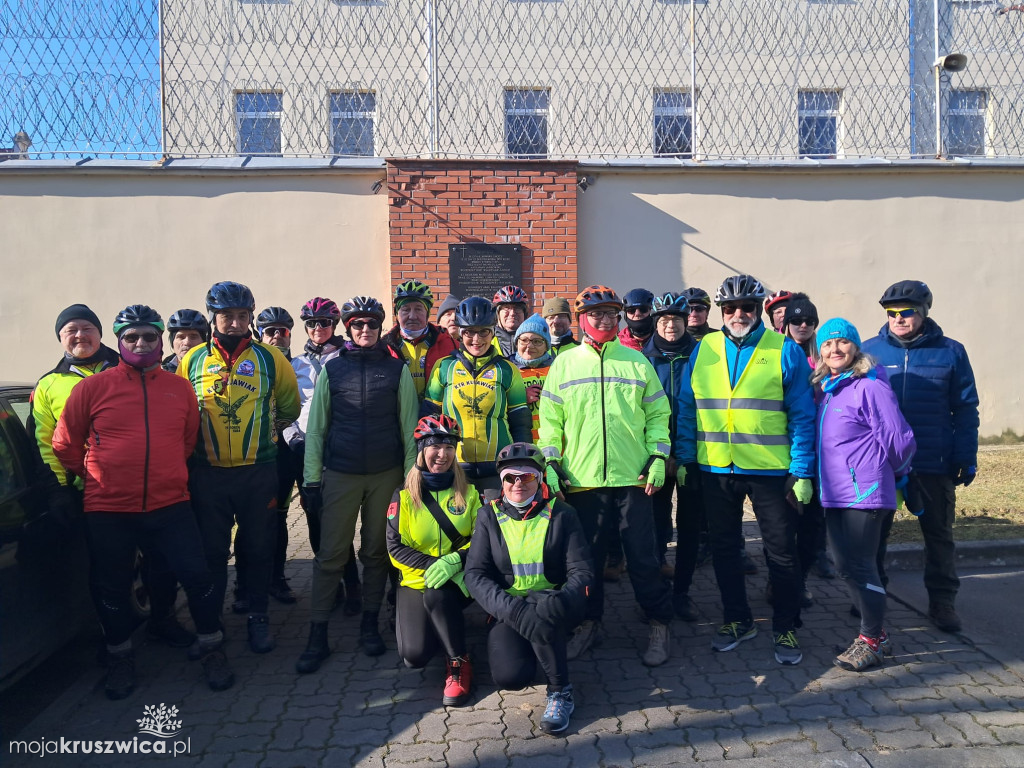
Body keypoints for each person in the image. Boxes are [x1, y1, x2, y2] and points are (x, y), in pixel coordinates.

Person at [52, 305, 234, 698]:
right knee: (112, 585)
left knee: (197, 577)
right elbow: (65, 443)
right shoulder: (91, 388)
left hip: (170, 505)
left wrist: (167, 473)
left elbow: (187, 440)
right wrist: (95, 475)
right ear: (119, 341)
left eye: (149, 336)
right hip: (109, 509)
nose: (140, 343)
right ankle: (120, 657)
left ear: (160, 341)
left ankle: (212, 647)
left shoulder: (178, 386)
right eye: (131, 337)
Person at [674, 274, 815, 665]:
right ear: (721, 312)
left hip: (771, 471)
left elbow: (803, 415)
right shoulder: (704, 350)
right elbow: (688, 408)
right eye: (731, 308)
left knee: (781, 553)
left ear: (758, 311)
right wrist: (686, 458)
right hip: (716, 469)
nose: (739, 314)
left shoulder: (783, 348)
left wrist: (802, 471)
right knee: (724, 550)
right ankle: (738, 619)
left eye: (747, 308)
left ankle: (786, 625)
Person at [32, 303, 191, 649]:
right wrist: (67, 484)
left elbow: (182, 435)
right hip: (93, 495)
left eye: (87, 328)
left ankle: (163, 620)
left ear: (102, 333)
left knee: (162, 564)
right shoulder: (49, 384)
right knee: (108, 574)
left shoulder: (130, 362)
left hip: (158, 492)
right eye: (70, 330)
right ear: (60, 338)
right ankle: (115, 642)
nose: (79, 335)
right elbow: (47, 443)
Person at [538, 285, 674, 667]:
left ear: (619, 319)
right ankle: (588, 623)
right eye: (595, 314)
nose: (602, 320)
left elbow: (658, 416)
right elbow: (550, 423)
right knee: (588, 562)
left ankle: (659, 622)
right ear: (582, 320)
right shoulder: (564, 364)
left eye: (610, 314)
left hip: (634, 477)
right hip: (582, 481)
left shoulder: (637, 362)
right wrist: (550, 463)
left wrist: (659, 456)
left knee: (644, 558)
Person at [178, 281, 300, 654]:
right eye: (226, 316)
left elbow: (289, 408)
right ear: (213, 317)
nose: (234, 322)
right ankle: (212, 624)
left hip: (258, 471)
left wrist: (261, 436)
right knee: (212, 552)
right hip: (208, 473)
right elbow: (182, 411)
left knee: (259, 547)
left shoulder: (270, 358)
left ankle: (258, 618)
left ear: (250, 317)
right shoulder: (193, 359)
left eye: (242, 316)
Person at [297, 296, 418, 668]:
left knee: (376, 553)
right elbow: (316, 429)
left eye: (371, 324)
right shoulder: (333, 370)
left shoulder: (397, 371)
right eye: (357, 325)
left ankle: (369, 624)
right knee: (331, 555)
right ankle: (318, 634)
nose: (365, 330)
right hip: (341, 473)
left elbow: (409, 429)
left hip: (386, 475)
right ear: (347, 328)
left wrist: (412, 481)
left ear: (380, 327)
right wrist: (312, 480)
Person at [861, 280, 979, 633]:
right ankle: (872, 598)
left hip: (932, 461)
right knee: (874, 536)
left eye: (906, 312)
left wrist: (965, 454)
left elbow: (966, 408)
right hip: (882, 463)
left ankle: (942, 602)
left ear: (924, 312)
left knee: (939, 535)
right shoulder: (869, 351)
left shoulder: (951, 352)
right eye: (891, 312)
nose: (898, 318)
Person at [464, 443, 593, 735]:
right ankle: (538, 649)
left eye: (527, 477)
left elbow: (582, 571)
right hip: (509, 609)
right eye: (510, 477)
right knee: (510, 677)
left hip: (552, 605)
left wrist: (563, 599)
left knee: (544, 621)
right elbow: (475, 575)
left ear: (539, 478)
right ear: (502, 481)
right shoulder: (488, 516)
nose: (518, 483)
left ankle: (561, 691)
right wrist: (511, 609)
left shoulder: (563, 513)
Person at [814, 318, 916, 670]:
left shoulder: (869, 386)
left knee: (861, 565)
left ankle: (871, 639)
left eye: (841, 343)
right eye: (827, 345)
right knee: (844, 567)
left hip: (866, 492)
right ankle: (877, 635)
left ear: (855, 347)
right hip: (835, 494)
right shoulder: (829, 388)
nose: (834, 350)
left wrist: (896, 473)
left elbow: (900, 439)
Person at [386, 415, 482, 706]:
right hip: (415, 582)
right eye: (434, 446)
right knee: (415, 656)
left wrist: (454, 562)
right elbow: (394, 548)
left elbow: (482, 538)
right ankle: (439, 627)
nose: (442, 454)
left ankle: (458, 661)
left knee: (439, 595)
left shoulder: (470, 492)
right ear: (421, 451)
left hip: (459, 580)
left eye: (449, 446)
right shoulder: (402, 497)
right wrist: (433, 566)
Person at [283, 296, 362, 615]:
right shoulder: (294, 365)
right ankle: (333, 585)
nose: (318, 328)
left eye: (325, 323)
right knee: (315, 519)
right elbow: (283, 410)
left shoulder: (348, 358)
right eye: (312, 323)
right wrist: (293, 440)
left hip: (340, 451)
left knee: (341, 521)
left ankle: (353, 585)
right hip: (306, 453)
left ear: (335, 325)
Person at [425, 297, 531, 493]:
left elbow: (520, 423)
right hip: (455, 466)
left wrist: (521, 463)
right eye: (469, 332)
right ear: (459, 333)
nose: (476, 339)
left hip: (498, 467)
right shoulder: (444, 367)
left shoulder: (507, 369)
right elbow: (428, 420)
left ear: (493, 333)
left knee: (494, 522)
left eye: (484, 332)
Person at [642, 292, 700, 620]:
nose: (670, 326)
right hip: (656, 457)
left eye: (676, 320)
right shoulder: (642, 360)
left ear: (685, 321)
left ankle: (683, 592)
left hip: (693, 454)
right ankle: (657, 592)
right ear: (655, 322)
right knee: (655, 524)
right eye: (663, 320)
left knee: (689, 526)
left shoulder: (702, 355)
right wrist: (659, 455)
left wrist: (685, 453)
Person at [780, 294, 836, 585]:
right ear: (786, 323)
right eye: (796, 320)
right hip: (785, 447)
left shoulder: (824, 355)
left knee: (813, 518)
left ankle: (808, 567)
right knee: (785, 522)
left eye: (809, 321)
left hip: (819, 448)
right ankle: (781, 581)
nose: (803, 325)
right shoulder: (778, 353)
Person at [255, 305, 299, 604]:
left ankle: (279, 579)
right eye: (269, 331)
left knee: (284, 516)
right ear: (260, 334)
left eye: (282, 331)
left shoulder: (305, 364)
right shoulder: (255, 365)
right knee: (263, 519)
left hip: (297, 451)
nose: (276, 336)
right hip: (266, 452)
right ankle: (253, 581)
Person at [384, 280, 457, 399]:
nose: (412, 316)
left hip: (437, 414)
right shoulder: (384, 347)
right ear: (397, 314)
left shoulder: (451, 343)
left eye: (418, 309)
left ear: (427, 313)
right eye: (406, 309)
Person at [510, 313, 554, 442]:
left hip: (552, 444)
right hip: (518, 445)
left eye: (537, 341)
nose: (529, 346)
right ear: (516, 343)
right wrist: (520, 397)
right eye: (524, 340)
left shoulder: (557, 370)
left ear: (546, 345)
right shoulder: (507, 369)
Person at [493, 285, 530, 358]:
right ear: (498, 314)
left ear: (524, 314)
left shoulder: (534, 340)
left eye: (517, 308)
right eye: (506, 308)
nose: (512, 313)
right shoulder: (487, 341)